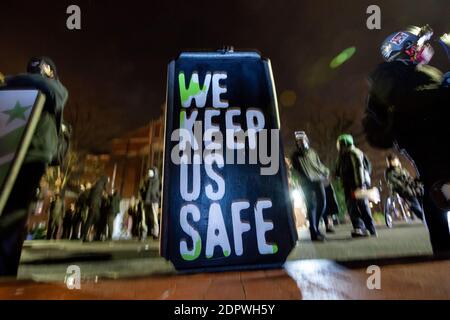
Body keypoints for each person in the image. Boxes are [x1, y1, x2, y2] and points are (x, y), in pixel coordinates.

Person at [363, 25, 450, 253]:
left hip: (429, 134)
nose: (426, 50)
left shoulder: (421, 72)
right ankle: (443, 245)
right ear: (407, 49)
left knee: (434, 182)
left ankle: (443, 245)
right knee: (434, 183)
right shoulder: (393, 73)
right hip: (427, 135)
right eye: (420, 46)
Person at [0, 57, 68, 276]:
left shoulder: (10, 85)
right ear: (48, 71)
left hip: (16, 150)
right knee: (14, 215)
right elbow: (58, 93)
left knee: (12, 212)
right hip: (30, 152)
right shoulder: (50, 87)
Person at [335, 134, 377, 238]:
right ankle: (359, 228)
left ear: (345, 143)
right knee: (352, 207)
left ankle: (370, 229)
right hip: (348, 186)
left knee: (363, 206)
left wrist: (360, 185)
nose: (338, 146)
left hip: (356, 185)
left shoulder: (354, 152)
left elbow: (359, 168)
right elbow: (338, 170)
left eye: (339, 144)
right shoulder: (342, 156)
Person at [291, 132, 329, 242]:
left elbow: (318, 164)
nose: (301, 142)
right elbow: (296, 168)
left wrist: (325, 171)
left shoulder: (312, 152)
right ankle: (314, 232)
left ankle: (315, 226)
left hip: (318, 180)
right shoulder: (296, 155)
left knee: (322, 203)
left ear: (306, 140)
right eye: (298, 141)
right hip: (306, 182)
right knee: (311, 206)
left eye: (302, 139)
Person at [385, 154, 424, 221]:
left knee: (420, 193)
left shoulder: (402, 169)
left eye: (395, 160)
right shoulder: (389, 172)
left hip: (410, 187)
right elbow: (394, 181)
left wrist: (414, 182)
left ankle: (426, 216)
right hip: (401, 189)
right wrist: (404, 184)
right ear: (389, 162)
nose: (395, 162)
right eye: (392, 161)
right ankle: (424, 218)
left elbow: (409, 178)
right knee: (414, 203)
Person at [82, 176, 109, 242]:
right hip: (95, 205)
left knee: (93, 220)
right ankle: (97, 236)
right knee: (93, 220)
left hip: (93, 205)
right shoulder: (100, 185)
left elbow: (91, 196)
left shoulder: (96, 185)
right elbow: (101, 194)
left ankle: (92, 236)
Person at [140, 167, 161, 239]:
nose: (149, 173)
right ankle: (143, 233)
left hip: (153, 201)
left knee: (154, 218)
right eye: (149, 171)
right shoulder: (146, 181)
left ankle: (155, 233)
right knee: (144, 218)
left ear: (154, 172)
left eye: (151, 171)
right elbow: (142, 190)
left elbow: (153, 191)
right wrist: (142, 191)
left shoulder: (156, 180)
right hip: (145, 201)